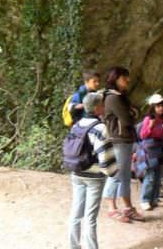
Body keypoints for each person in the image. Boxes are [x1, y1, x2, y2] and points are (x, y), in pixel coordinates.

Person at [102, 66, 143, 223]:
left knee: (125, 175)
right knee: (116, 174)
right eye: (124, 77)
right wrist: (131, 113)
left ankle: (127, 207)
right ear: (115, 79)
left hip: (125, 138)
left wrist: (132, 113)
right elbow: (128, 119)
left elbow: (134, 113)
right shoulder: (113, 98)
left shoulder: (121, 96)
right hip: (118, 139)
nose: (127, 80)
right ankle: (111, 208)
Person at [68, 92, 109, 249]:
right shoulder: (100, 128)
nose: (104, 107)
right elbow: (105, 155)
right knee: (90, 217)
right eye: (103, 105)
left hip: (76, 172)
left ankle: (74, 246)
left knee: (76, 213)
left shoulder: (77, 125)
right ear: (98, 107)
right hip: (94, 176)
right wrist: (110, 172)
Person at [137, 94, 163, 211]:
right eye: (158, 106)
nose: (161, 108)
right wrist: (150, 127)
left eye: (162, 105)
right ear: (152, 107)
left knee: (158, 176)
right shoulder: (148, 119)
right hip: (150, 149)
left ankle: (155, 199)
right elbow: (143, 135)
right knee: (150, 176)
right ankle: (145, 200)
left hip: (160, 149)